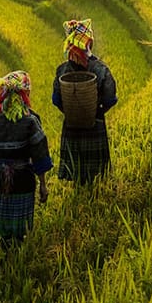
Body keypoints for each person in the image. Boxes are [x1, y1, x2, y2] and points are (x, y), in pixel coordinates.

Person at [0, 70, 52, 248]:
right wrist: (43, 185)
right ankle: (17, 253)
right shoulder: (30, 122)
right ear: (25, 95)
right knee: (19, 228)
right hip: (22, 180)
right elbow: (39, 156)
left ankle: (5, 251)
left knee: (3, 225)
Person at [51, 19, 118, 184]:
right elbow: (111, 98)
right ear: (89, 43)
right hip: (95, 124)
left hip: (71, 126)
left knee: (76, 171)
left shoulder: (62, 70)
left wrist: (71, 111)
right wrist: (96, 112)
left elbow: (56, 99)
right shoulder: (100, 69)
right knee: (96, 175)